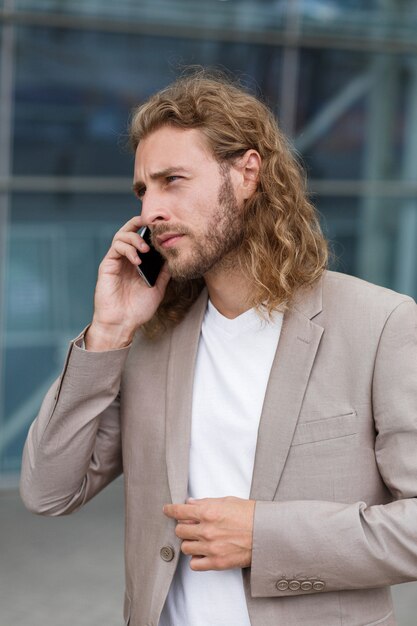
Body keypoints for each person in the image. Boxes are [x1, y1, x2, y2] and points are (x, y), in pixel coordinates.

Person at [20, 70, 417, 626]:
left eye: (173, 180)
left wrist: (266, 536)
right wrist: (108, 331)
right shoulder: (148, 343)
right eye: (143, 190)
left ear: (247, 173)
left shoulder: (380, 325)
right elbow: (47, 491)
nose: (150, 210)